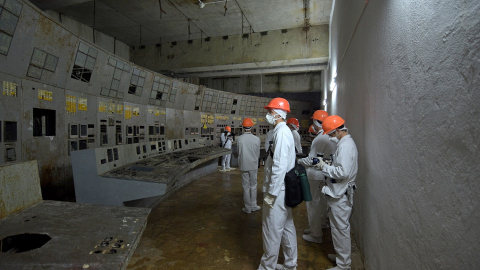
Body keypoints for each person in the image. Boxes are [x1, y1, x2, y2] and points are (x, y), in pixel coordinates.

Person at [314, 115, 358, 270]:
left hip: (341, 195)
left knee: (340, 229)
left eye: (332, 134)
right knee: (338, 228)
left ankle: (344, 264)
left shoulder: (345, 146)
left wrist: (324, 167)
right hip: (339, 192)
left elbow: (343, 172)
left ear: (338, 131)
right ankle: (341, 257)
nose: (331, 137)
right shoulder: (344, 144)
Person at [257, 97, 297, 270]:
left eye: (270, 112)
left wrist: (271, 196)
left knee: (271, 230)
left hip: (277, 192)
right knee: (287, 227)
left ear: (277, 113)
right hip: (283, 190)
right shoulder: (283, 131)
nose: (268, 114)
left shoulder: (281, 132)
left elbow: (279, 167)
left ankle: (267, 267)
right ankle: (290, 265)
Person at [298, 110, 336, 244]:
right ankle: (320, 225)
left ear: (315, 122)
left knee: (312, 203)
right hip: (326, 174)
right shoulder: (332, 137)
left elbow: (311, 160)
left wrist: (299, 161)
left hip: (315, 175)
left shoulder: (320, 138)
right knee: (322, 202)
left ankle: (315, 234)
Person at [237, 118, 261, 214]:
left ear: (243, 127)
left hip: (243, 165)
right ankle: (254, 205)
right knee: (253, 186)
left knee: (245, 186)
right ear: (252, 127)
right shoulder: (257, 139)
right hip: (253, 165)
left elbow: (239, 152)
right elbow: (258, 153)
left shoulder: (239, 139)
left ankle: (247, 208)